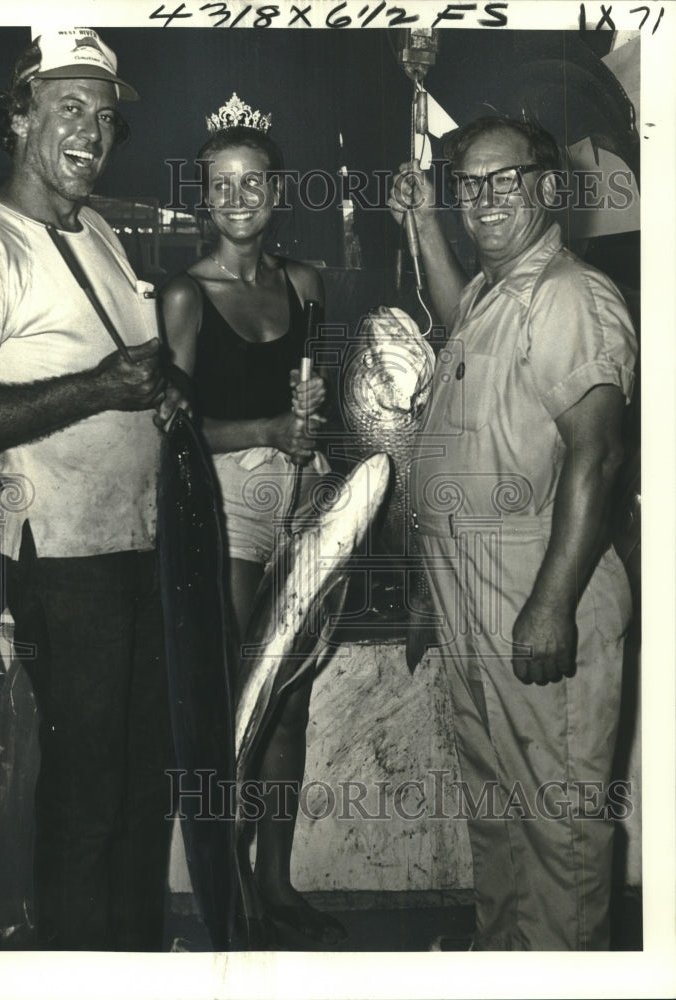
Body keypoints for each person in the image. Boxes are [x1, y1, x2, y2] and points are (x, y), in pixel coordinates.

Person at [0, 29, 186, 951]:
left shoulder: (98, 230)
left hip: (138, 550)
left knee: (143, 788)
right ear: (18, 116)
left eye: (104, 116)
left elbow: (124, 371)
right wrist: (101, 388)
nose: (92, 130)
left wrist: (159, 396)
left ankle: (134, 961)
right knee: (83, 800)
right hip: (64, 565)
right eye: (68, 107)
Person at [388, 117, 637, 949]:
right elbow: (461, 309)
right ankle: (502, 966)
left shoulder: (569, 294)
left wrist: (551, 607)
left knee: (557, 831)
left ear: (544, 187)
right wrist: (421, 223)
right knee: (496, 815)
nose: (485, 199)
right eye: (470, 184)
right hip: (471, 604)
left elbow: (595, 457)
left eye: (506, 180)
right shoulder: (500, 293)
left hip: (534, 591)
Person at [160, 96, 346, 946]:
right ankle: (227, 889)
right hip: (230, 507)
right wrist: (269, 429)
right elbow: (174, 428)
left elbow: (324, 403)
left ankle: (277, 884)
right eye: (221, 185)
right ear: (204, 199)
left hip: (299, 499)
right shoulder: (183, 296)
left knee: (292, 703)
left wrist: (310, 419)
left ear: (277, 191)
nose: (238, 198)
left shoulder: (305, 283)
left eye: (254, 182)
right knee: (243, 704)